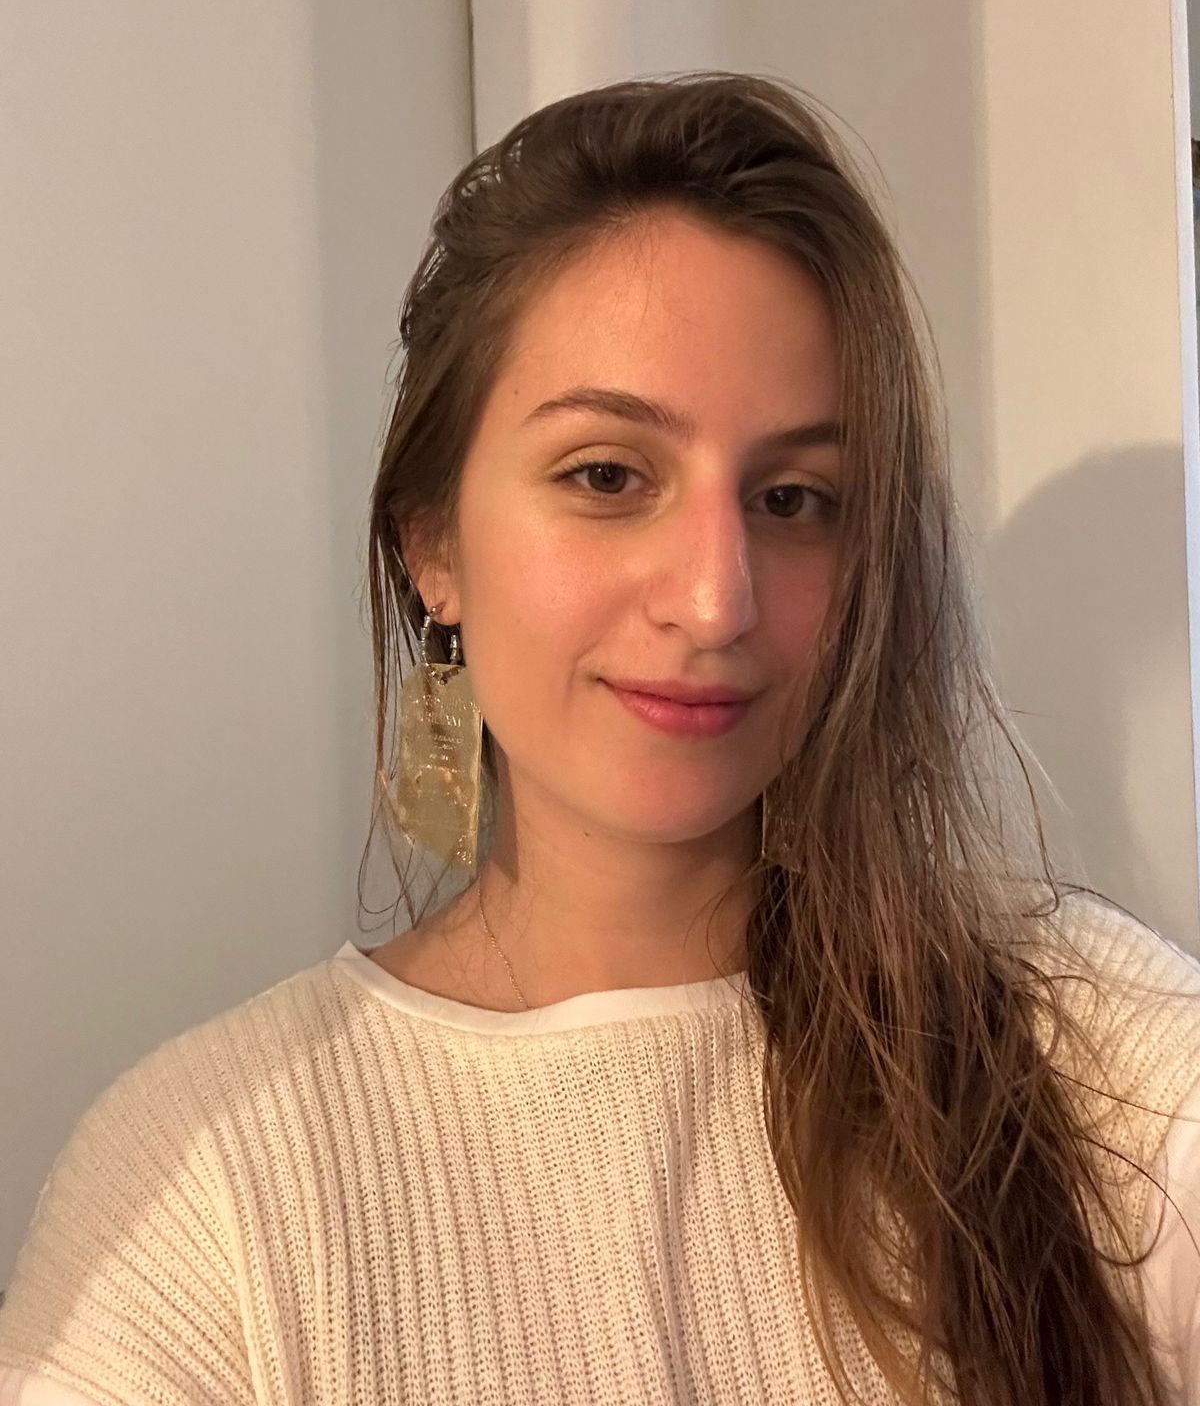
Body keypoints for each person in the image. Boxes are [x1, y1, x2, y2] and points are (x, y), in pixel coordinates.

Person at [1, 70, 1199, 1406]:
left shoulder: (1103, 1067)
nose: (716, 601)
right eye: (608, 476)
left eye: (794, 499)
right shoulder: (213, 1193)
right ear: (433, 543)